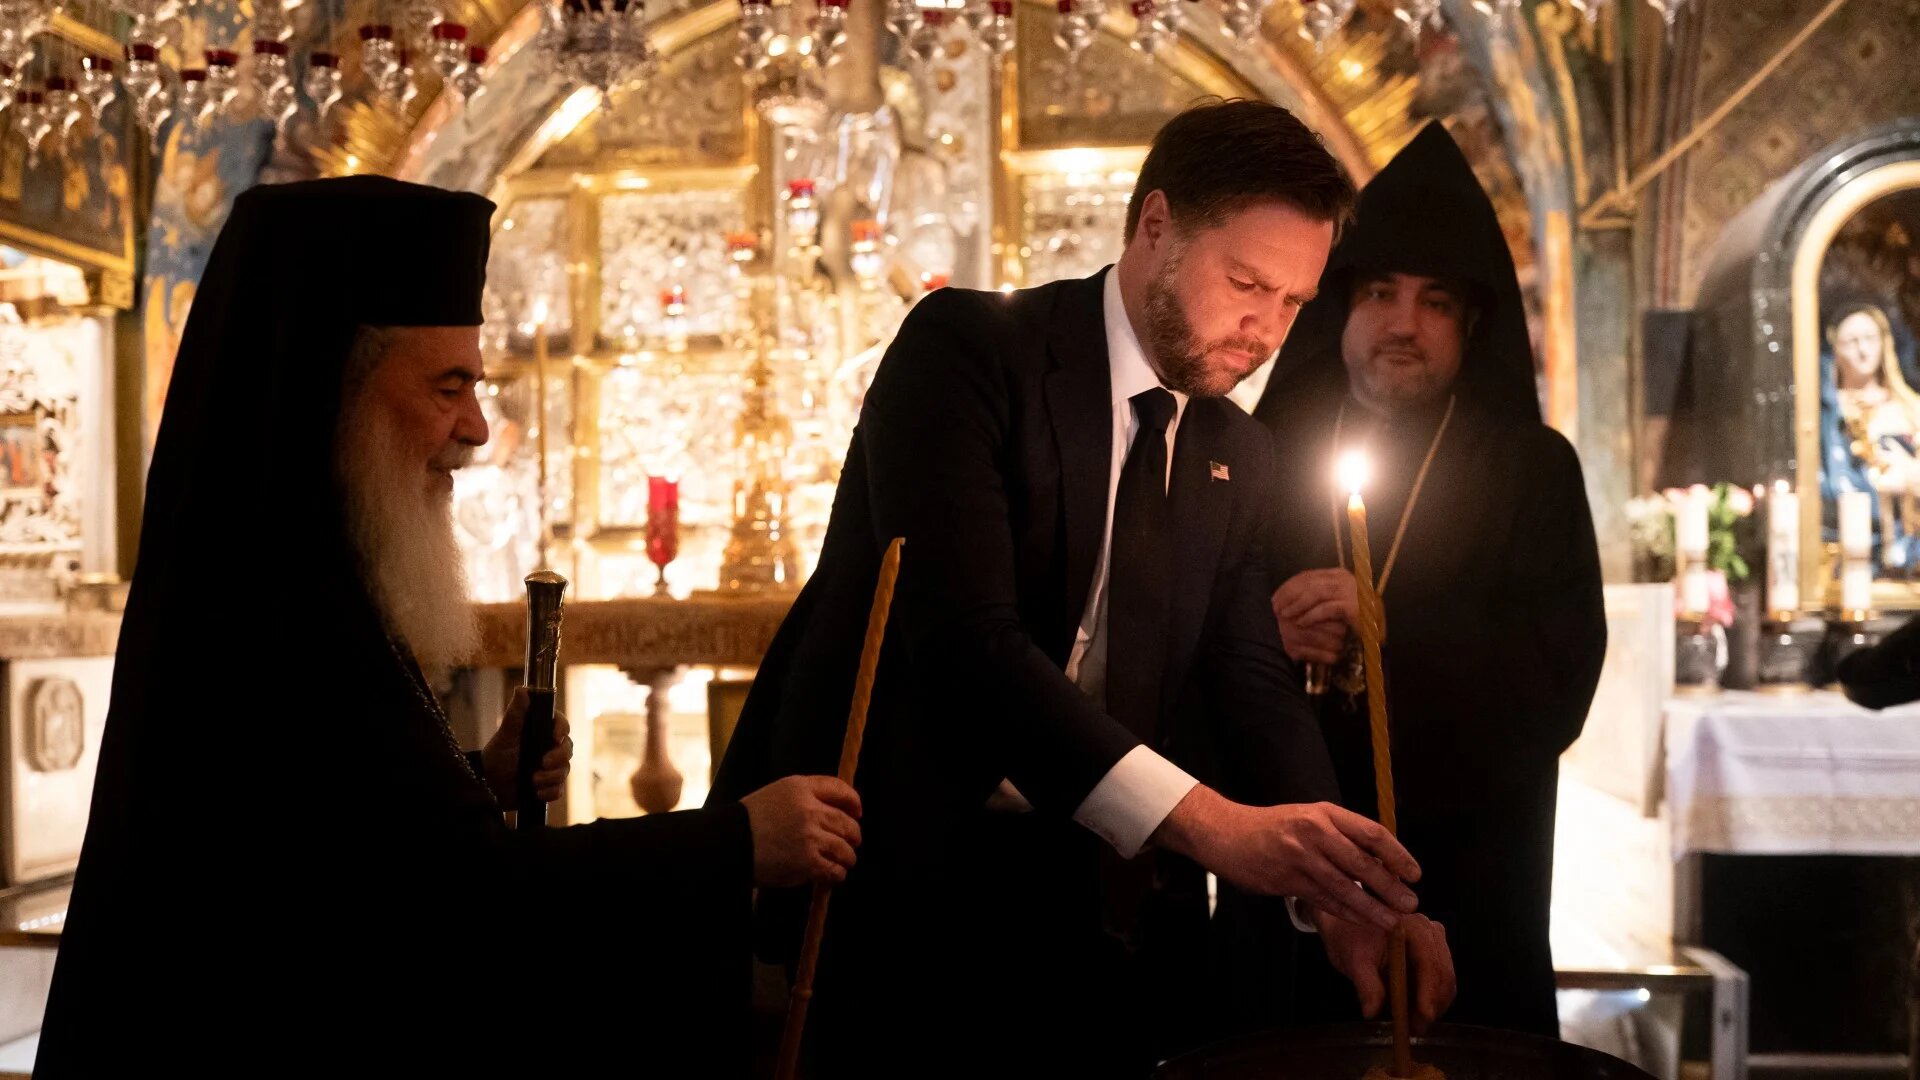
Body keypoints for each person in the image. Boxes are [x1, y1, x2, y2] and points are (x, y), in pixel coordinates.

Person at [37, 176, 861, 1074]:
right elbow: (462, 900)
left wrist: (474, 776)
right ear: (334, 391)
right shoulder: (281, 609)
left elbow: (344, 840)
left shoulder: (309, 575)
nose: (477, 427)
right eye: (448, 386)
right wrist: (737, 841)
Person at [712, 100, 1449, 1076]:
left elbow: (1251, 679)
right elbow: (970, 647)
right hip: (905, 880)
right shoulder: (971, 351)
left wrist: (1341, 891)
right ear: (1155, 226)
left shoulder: (1240, 450)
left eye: (1293, 302)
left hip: (1103, 895)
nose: (1265, 329)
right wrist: (1218, 827)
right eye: (1245, 283)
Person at [1253, 121, 1606, 1037]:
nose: (1403, 324)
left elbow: (1560, 679)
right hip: (1286, 885)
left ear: (1472, 324)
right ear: (1339, 305)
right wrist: (1268, 634)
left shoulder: (1532, 470)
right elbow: (1195, 648)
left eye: (1435, 302)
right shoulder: (1259, 455)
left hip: (1467, 875)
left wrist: (1390, 629)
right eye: (1380, 293)